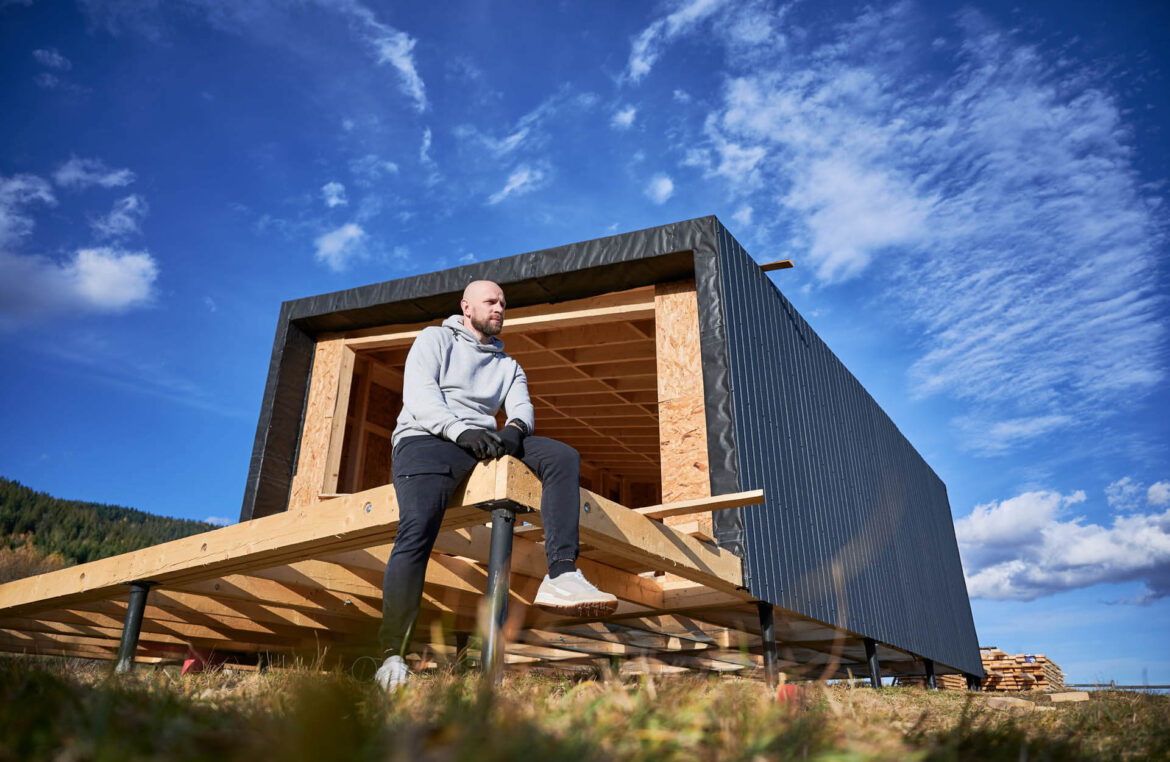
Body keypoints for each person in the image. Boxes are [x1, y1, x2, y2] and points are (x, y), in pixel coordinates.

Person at [375, 280, 618, 690]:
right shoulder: (435, 339)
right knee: (417, 528)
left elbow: (522, 407)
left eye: (504, 303)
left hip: (484, 441)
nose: (500, 308)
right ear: (466, 307)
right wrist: (457, 430)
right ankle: (391, 655)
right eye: (491, 301)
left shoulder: (508, 365)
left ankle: (561, 573)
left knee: (561, 456)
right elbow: (419, 394)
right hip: (428, 437)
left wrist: (515, 432)